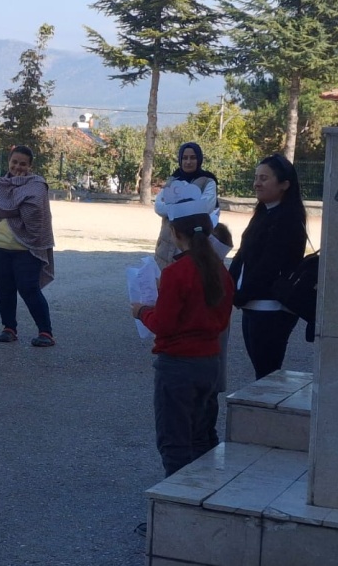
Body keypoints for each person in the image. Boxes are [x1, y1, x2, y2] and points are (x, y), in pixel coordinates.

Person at [132, 184, 234, 477]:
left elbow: (163, 326)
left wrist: (141, 311)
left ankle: (172, 513)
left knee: (174, 442)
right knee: (202, 437)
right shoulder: (219, 270)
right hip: (210, 362)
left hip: (177, 366)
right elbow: (223, 319)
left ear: (176, 234)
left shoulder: (175, 273)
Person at [228, 154, 307, 380]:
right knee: (262, 373)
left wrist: (241, 294)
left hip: (271, 309)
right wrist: (229, 286)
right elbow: (243, 255)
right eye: (256, 178)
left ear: (284, 184)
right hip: (254, 305)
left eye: (264, 178)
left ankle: (268, 416)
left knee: (267, 375)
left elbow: (269, 266)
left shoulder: (287, 218)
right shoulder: (265, 212)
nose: (257, 183)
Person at [0, 145, 56, 347]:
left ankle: (46, 332)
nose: (18, 166)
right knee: (4, 289)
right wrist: (17, 209)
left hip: (27, 247)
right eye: (14, 162)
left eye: (23, 163)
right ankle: (9, 328)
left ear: (30, 166)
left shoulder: (37, 186)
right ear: (9, 162)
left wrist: (9, 211)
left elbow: (34, 215)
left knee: (29, 288)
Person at [154, 142, 218, 270]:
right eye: (185, 158)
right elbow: (158, 206)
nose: (188, 161)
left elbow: (205, 206)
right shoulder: (172, 181)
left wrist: (173, 207)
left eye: (193, 157)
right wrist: (188, 207)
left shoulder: (208, 181)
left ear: (199, 159)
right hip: (166, 244)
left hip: (194, 244)